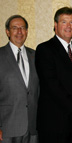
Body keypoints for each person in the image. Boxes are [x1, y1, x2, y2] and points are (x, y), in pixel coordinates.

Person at [35, 7, 72, 143]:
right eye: (64, 22)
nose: (68, 26)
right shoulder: (44, 49)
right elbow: (51, 83)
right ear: (55, 25)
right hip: (54, 123)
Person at [0, 15, 39, 143]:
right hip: (7, 128)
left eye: (22, 28)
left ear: (27, 31)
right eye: (15, 28)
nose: (19, 32)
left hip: (33, 128)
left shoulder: (36, 56)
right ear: (7, 32)